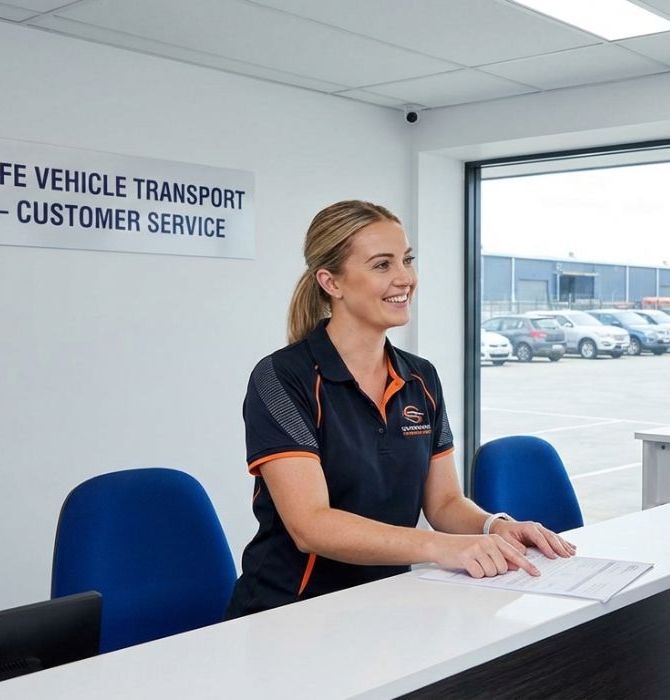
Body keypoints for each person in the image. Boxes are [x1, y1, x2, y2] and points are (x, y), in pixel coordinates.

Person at [226, 200, 574, 618]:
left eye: (407, 260)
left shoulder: (420, 377)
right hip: (289, 610)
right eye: (381, 265)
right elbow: (310, 526)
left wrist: (494, 526)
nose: (404, 278)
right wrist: (439, 547)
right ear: (330, 282)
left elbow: (444, 502)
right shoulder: (282, 378)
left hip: (388, 602)